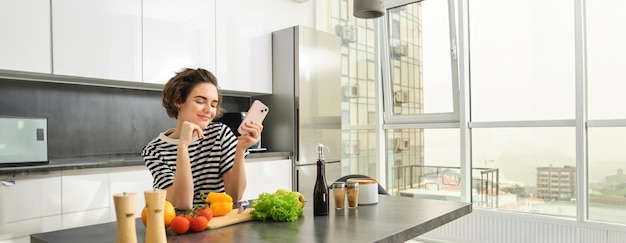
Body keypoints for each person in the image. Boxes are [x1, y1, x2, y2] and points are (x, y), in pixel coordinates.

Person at [142, 68, 262, 211]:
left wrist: (240, 150)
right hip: (180, 227)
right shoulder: (154, 150)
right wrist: (183, 147)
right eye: (200, 101)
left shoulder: (220, 134)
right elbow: (182, 204)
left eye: (213, 104)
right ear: (178, 101)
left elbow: (234, 196)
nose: (209, 110)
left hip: (217, 223)